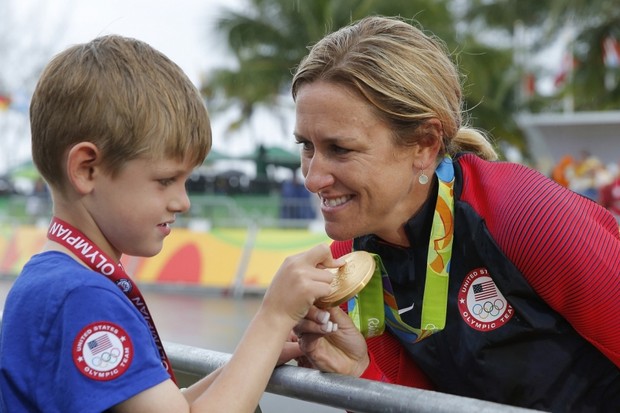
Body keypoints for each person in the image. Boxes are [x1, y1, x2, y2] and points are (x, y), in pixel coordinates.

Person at [287, 15, 620, 412]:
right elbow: (424, 403)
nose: (312, 178)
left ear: (425, 145)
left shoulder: (525, 216)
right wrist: (359, 372)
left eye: (340, 149)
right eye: (306, 146)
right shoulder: (350, 258)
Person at [0, 35, 342, 413]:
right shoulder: (82, 296)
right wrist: (273, 318)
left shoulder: (52, 279)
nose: (183, 201)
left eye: (186, 181)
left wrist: (257, 355)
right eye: (165, 180)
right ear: (87, 169)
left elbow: (169, 407)